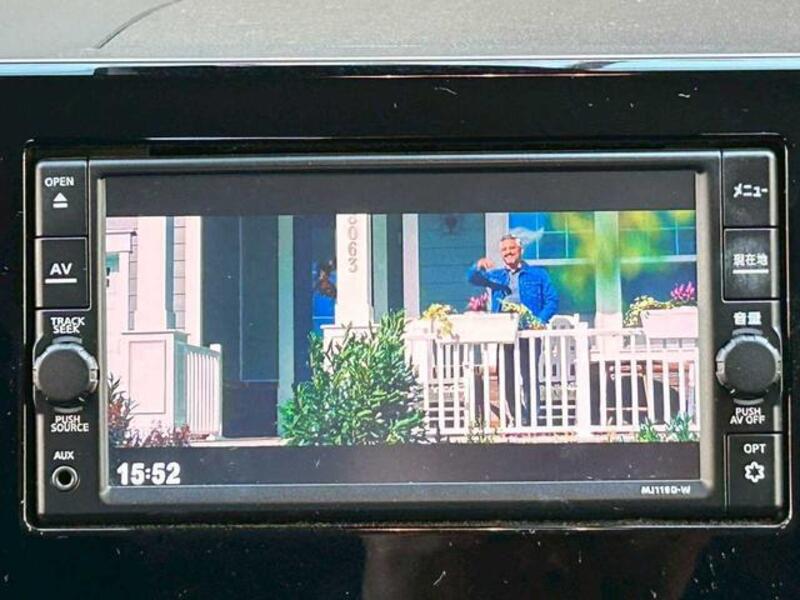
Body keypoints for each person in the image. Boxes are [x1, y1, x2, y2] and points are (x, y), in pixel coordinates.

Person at [467, 234, 559, 426]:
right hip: (504, 332)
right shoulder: (497, 276)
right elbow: (473, 279)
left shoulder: (538, 275)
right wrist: (478, 266)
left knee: (529, 375)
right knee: (506, 376)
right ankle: (519, 415)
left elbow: (552, 300)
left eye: (512, 248)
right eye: (504, 250)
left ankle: (533, 417)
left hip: (529, 331)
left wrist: (539, 321)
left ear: (520, 250)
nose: (508, 252)